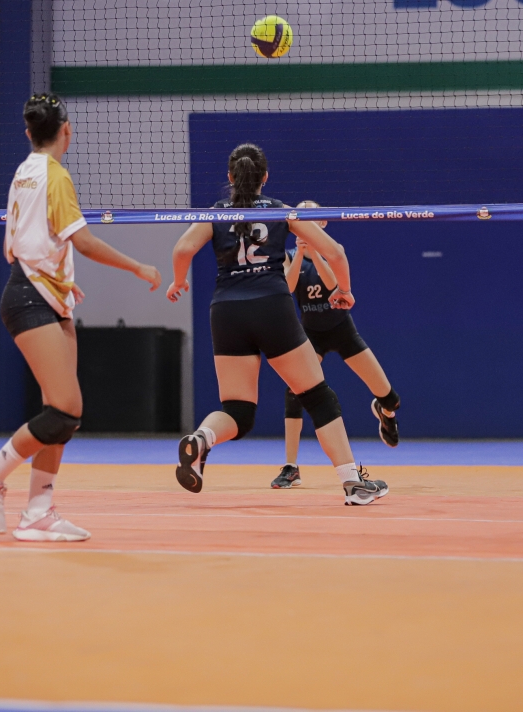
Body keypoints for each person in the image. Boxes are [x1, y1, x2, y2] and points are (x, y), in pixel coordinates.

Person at [0, 93, 161, 541]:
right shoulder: (55, 175)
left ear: (29, 132)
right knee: (66, 408)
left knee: (63, 413)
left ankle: (38, 511)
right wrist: (138, 267)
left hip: (42, 291)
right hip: (30, 296)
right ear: (67, 130)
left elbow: (28, 239)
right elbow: (83, 241)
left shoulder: (23, 171)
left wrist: (61, 280)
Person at [167, 143, 389, 506]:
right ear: (265, 178)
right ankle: (354, 483)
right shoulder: (281, 210)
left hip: (225, 310)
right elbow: (336, 252)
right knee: (317, 395)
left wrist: (178, 281)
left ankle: (202, 438)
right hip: (271, 305)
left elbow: (182, 250)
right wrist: (345, 291)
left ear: (230, 177)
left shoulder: (215, 213)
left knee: (238, 410)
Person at [272, 200, 400, 489]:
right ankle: (291, 467)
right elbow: (287, 290)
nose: (305, 221)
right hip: (311, 334)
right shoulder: (288, 256)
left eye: (312, 216)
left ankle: (385, 412)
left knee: (391, 397)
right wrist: (301, 252)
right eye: (301, 216)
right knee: (294, 391)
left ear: (323, 222)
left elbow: (333, 286)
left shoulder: (331, 251)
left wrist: (314, 252)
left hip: (342, 331)